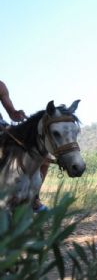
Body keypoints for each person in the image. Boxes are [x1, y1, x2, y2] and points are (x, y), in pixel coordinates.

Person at [0, 80, 48, 212]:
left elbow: (11, 113)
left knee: (43, 159)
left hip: (3, 127)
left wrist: (16, 114)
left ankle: (33, 198)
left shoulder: (1, 86)